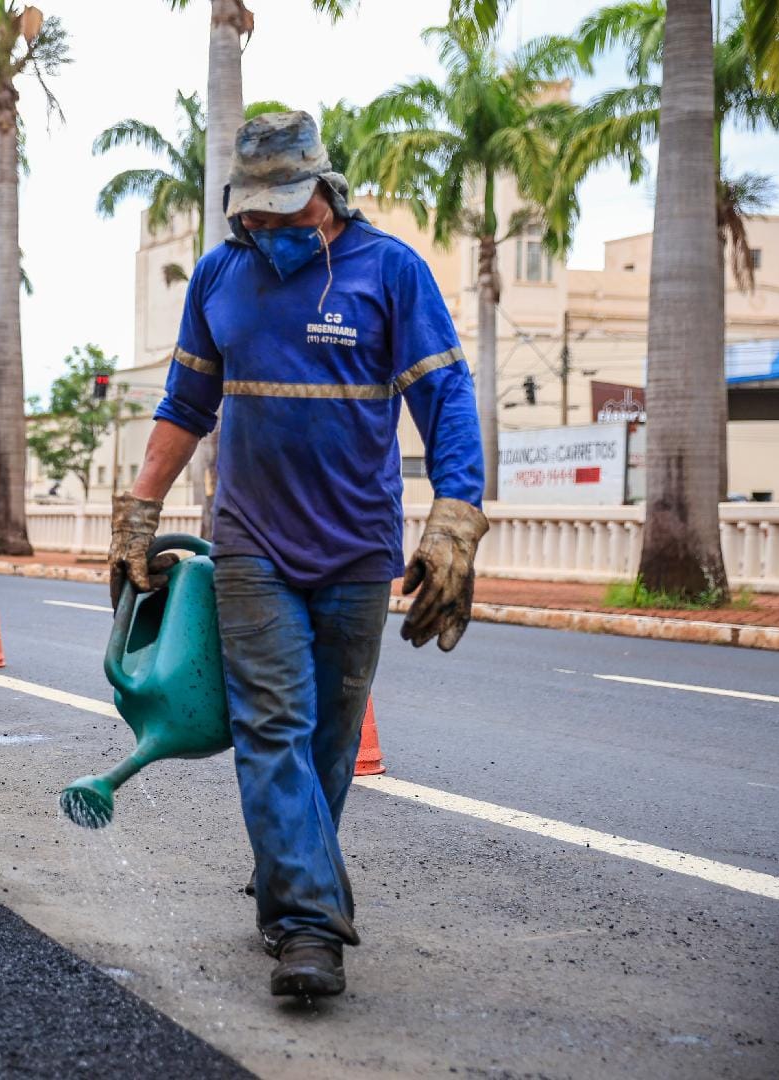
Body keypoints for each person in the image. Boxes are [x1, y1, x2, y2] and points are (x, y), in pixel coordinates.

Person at [108, 111, 487, 999]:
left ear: (327, 189)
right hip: (252, 547)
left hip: (358, 551)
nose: (271, 227)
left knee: (328, 736)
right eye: (257, 212)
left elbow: (447, 397)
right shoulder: (220, 276)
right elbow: (185, 405)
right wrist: (138, 508)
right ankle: (308, 925)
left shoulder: (389, 271)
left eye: (288, 208)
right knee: (270, 726)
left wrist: (454, 521)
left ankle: (287, 866)